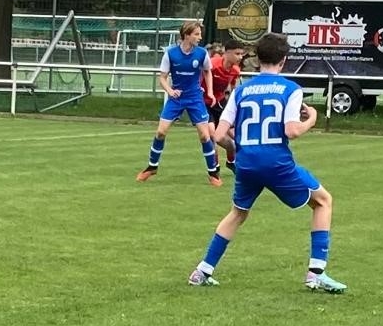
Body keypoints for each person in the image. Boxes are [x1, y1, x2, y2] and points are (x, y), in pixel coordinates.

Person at [187, 32, 345, 293]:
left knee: (238, 213)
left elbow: (218, 135)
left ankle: (201, 271)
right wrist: (311, 120)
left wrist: (242, 147)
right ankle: (316, 273)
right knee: (323, 201)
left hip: (247, 163)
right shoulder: (291, 89)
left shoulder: (241, 90)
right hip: (276, 163)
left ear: (258, 59)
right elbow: (292, 130)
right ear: (283, 61)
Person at [136, 20, 220, 186]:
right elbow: (162, 77)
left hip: (195, 98)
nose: (200, 37)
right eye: (196, 34)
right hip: (176, 98)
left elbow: (207, 72)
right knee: (161, 132)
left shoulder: (201, 53)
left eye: (200, 34)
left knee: (205, 136)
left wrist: (209, 92)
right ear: (186, 35)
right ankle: (152, 167)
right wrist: (170, 90)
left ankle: (213, 174)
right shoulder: (171, 54)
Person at [205, 41, 246, 172]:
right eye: (237, 54)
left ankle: (231, 161)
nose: (240, 57)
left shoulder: (235, 70)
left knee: (231, 137)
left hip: (220, 102)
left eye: (241, 54)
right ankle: (214, 167)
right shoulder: (212, 64)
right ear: (226, 53)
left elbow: (233, 88)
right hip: (203, 102)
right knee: (212, 133)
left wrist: (232, 104)